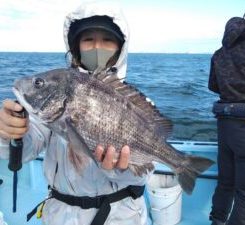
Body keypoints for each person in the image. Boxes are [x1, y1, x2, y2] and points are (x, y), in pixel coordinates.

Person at [0, 2, 150, 225]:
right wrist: (9, 135)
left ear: (120, 47)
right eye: (88, 39)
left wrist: (118, 170)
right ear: (76, 45)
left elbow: (144, 172)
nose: (97, 47)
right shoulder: (60, 91)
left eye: (107, 40)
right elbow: (23, 152)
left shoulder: (139, 105)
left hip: (121, 216)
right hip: (60, 215)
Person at [208, 6, 245, 225]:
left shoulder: (221, 52)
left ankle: (217, 220)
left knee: (225, 182)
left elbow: (213, 85)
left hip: (225, 123)